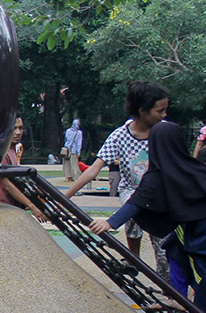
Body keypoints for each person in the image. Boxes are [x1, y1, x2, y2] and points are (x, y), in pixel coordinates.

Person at [89, 121, 206, 313]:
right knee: (175, 250)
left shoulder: (161, 171)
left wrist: (110, 222)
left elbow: (137, 201)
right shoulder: (188, 164)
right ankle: (178, 299)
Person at [66, 81, 171, 276]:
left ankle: (169, 287)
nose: (164, 115)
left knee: (163, 246)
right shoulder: (120, 136)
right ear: (142, 111)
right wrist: (66, 197)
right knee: (132, 207)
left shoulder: (164, 132)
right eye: (160, 111)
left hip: (159, 194)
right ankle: (133, 257)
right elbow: (93, 170)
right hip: (132, 188)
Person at [0, 116, 47, 221]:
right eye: (14, 128)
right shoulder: (1, 152)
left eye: (20, 128)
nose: (18, 132)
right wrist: (31, 206)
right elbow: (7, 185)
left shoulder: (12, 150)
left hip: (9, 206)